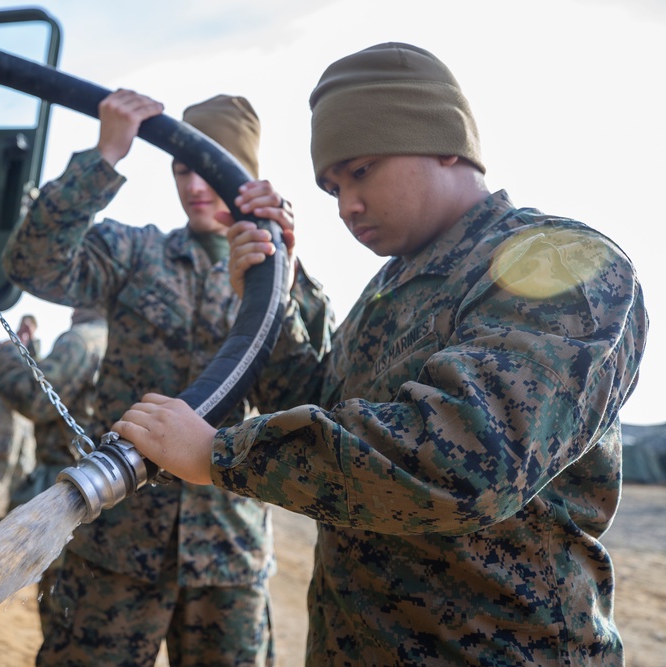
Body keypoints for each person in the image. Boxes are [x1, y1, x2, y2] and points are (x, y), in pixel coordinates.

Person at [112, 43, 649, 666]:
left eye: (361, 171)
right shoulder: (391, 287)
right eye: (333, 187)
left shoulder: (560, 267)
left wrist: (220, 454)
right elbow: (320, 402)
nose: (346, 206)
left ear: (445, 141)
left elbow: (470, 460)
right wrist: (276, 291)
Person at [2, 89, 328, 666]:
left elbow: (299, 399)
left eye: (212, 170)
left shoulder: (286, 277)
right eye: (183, 169)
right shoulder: (134, 251)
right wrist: (103, 157)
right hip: (117, 547)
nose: (197, 187)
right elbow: (33, 266)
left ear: (245, 174)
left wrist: (286, 275)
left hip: (227, 555)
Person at [0, 306, 108, 640]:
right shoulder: (120, 339)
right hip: (108, 488)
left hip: (74, 492)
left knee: (63, 618)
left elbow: (39, 402)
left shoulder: (81, 341)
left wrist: (8, 356)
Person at [0, 315, 39, 521]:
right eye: (23, 328)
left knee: (23, 460)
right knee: (4, 454)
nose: (26, 332)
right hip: (5, 410)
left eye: (30, 329)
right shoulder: (7, 347)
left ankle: (14, 505)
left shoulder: (34, 351)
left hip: (24, 415)